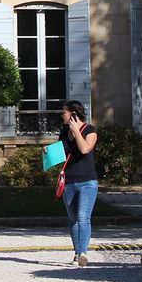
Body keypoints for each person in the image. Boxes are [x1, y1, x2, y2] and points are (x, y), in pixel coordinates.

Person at [58, 100, 99, 267]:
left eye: (64, 112)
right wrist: (49, 152)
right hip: (69, 181)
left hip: (87, 182)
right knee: (73, 218)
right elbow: (63, 154)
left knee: (83, 217)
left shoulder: (90, 131)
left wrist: (76, 131)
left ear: (73, 114)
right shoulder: (63, 132)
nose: (62, 115)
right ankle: (77, 253)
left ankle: (83, 253)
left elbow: (84, 149)